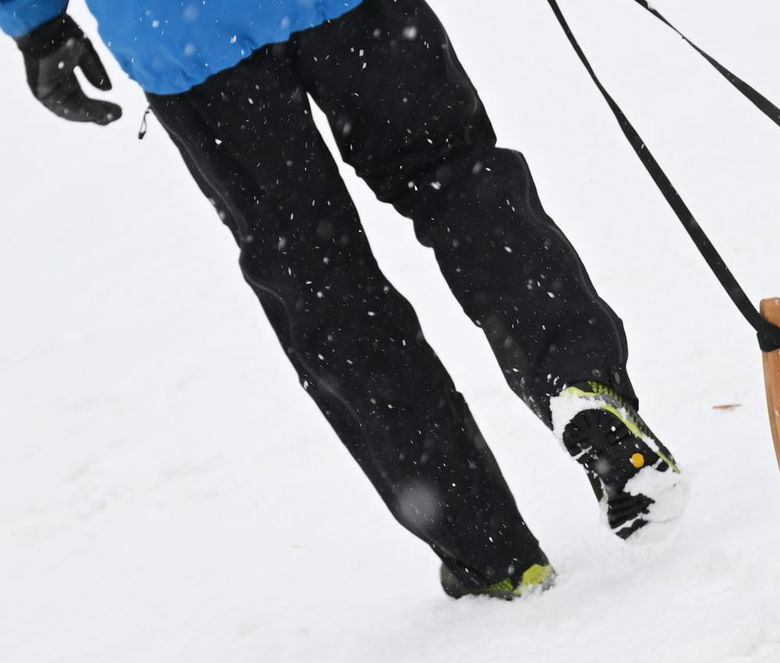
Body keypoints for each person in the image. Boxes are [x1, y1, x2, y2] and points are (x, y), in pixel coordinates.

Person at [3, 0, 686, 600]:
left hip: (185, 33)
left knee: (320, 282)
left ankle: (489, 552)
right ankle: (578, 384)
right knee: (456, 180)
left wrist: (38, 26)